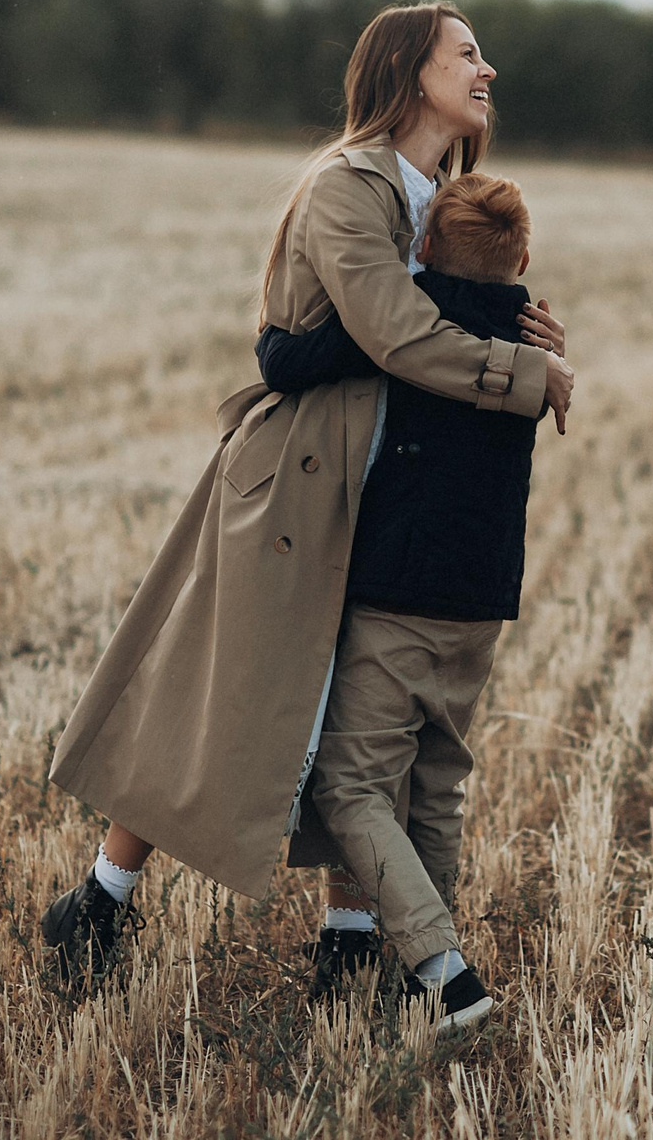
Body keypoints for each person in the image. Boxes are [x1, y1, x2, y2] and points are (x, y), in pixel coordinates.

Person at [37, 3, 574, 1000]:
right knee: (224, 700)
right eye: (467, 55)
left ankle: (347, 943)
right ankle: (98, 902)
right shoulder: (347, 187)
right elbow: (398, 335)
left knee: (354, 716)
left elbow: (454, 318)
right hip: (299, 482)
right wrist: (520, 376)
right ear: (412, 74)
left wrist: (526, 331)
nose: (486, 69)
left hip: (391, 478)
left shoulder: (444, 192)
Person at [251, 171, 549, 1026]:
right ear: (523, 257)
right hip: (483, 599)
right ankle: (423, 967)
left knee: (350, 787)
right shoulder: (529, 344)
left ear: (417, 249)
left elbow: (286, 359)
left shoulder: (414, 329)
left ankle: (444, 972)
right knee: (439, 779)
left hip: (399, 594)